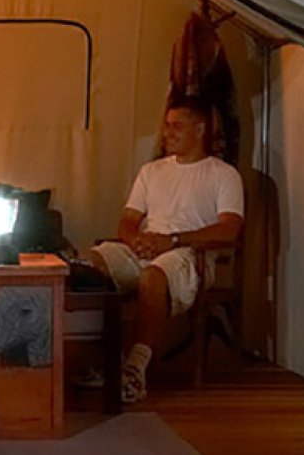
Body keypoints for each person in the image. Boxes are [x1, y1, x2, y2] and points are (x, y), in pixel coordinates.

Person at [89, 96, 243, 403]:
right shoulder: (151, 171)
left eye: (176, 126)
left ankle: (135, 368)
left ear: (200, 129)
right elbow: (128, 220)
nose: (168, 133)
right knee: (90, 264)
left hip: (188, 253)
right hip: (146, 247)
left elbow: (229, 228)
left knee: (153, 277)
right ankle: (99, 358)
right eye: (167, 125)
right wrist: (135, 240)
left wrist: (173, 241)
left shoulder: (223, 174)